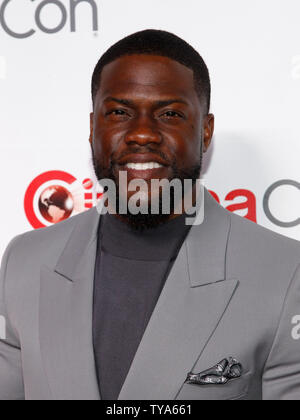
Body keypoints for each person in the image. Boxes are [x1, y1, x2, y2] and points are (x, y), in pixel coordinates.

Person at [0, 29, 299, 400]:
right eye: (120, 112)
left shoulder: (287, 272)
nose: (142, 134)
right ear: (93, 127)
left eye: (170, 113)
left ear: (206, 132)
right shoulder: (24, 261)